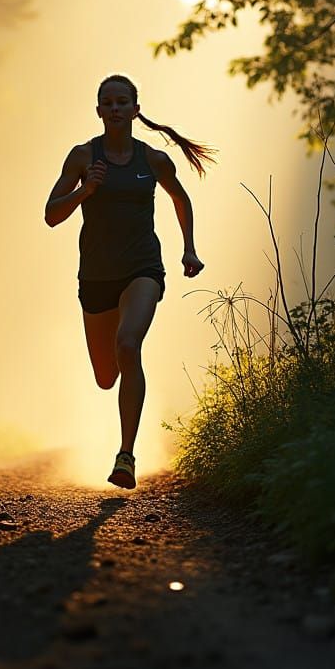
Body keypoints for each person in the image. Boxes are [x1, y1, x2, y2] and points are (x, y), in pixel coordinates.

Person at [44, 73, 214, 489]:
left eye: (123, 102)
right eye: (108, 102)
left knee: (127, 344)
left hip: (143, 268)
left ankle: (126, 455)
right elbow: (51, 214)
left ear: (136, 110)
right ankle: (122, 409)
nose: (116, 108)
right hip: (96, 275)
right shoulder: (83, 157)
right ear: (99, 110)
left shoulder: (153, 160)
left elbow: (180, 198)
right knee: (106, 376)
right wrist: (86, 190)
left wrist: (189, 248)